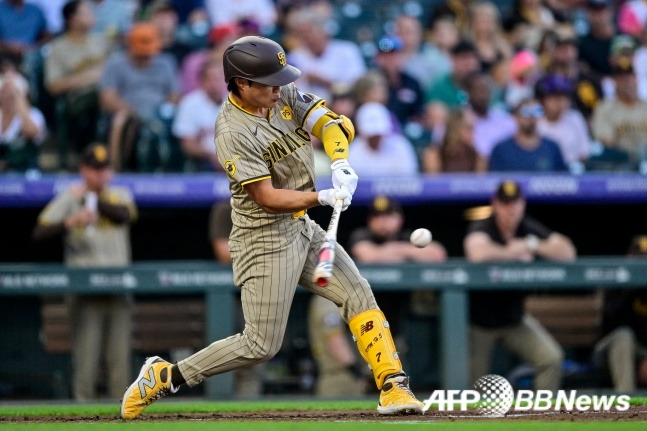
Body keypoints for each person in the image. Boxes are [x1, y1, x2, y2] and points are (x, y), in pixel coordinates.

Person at [121, 35, 425, 419]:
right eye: (268, 80)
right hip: (263, 236)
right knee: (260, 344)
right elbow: (266, 197)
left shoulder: (278, 93)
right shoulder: (231, 131)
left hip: (301, 226)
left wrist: (340, 163)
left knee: (358, 294)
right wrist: (322, 197)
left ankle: (393, 386)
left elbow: (329, 122)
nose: (278, 86)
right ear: (241, 83)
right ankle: (167, 376)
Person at [32, 143, 137, 401]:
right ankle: (81, 416)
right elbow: (39, 232)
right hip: (85, 290)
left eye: (105, 169)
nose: (100, 175)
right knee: (85, 361)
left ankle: (123, 416)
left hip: (117, 287)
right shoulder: (69, 197)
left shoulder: (118, 194)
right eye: (94, 169)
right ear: (83, 170)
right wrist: (70, 220)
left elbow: (125, 216)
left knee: (119, 363)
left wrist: (93, 201)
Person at [464, 180, 575, 391]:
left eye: (515, 202)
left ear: (522, 203)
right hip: (480, 323)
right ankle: (474, 424)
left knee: (551, 358)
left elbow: (568, 253)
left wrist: (531, 244)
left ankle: (542, 417)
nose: (511, 208)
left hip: (514, 319)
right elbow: (476, 252)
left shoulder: (527, 228)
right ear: (495, 204)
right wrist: (513, 253)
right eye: (505, 203)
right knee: (474, 387)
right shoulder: (485, 225)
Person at [99, 22, 180, 171]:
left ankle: (173, 169)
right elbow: (107, 98)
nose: (145, 57)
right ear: (130, 46)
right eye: (140, 54)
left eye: (148, 54)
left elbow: (175, 94)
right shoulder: (116, 63)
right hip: (129, 112)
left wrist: (162, 110)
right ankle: (117, 168)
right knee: (121, 120)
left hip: (159, 113)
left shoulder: (166, 62)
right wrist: (134, 112)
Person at [45, 0, 109, 165]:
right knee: (100, 95)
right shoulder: (58, 47)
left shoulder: (100, 42)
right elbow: (53, 86)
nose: (91, 15)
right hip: (74, 100)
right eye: (86, 13)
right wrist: (89, 78)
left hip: (105, 96)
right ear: (71, 19)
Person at [593, 234, 647, 392]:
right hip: (609, 349)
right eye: (640, 259)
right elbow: (611, 326)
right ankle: (627, 407)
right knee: (623, 336)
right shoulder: (618, 281)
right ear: (629, 257)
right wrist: (630, 288)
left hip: (643, 352)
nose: (643, 264)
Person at [307, 295, 368, 398]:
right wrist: (357, 373)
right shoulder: (327, 299)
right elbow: (334, 340)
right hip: (339, 378)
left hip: (342, 376)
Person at [172, 59, 225, 171]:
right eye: (210, 79)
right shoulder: (189, 103)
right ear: (202, 81)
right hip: (203, 162)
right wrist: (212, 156)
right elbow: (187, 145)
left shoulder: (238, 103)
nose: (215, 83)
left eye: (218, 78)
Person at [489, 98, 568, 172]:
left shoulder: (552, 148)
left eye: (536, 111)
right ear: (515, 116)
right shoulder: (501, 149)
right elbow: (494, 181)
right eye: (526, 111)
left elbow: (563, 179)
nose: (531, 116)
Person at [591, 62, 647, 166]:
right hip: (620, 164)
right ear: (615, 82)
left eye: (629, 78)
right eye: (621, 79)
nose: (626, 82)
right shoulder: (604, 108)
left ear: (636, 80)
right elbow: (607, 141)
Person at [348, 102, 419, 176]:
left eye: (378, 134)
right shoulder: (353, 151)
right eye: (371, 135)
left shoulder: (400, 146)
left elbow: (410, 181)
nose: (375, 138)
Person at [535, 73, 591, 169]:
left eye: (563, 96)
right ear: (542, 100)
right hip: (542, 172)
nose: (559, 101)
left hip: (572, 173)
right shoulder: (535, 120)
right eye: (554, 96)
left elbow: (584, 153)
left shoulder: (575, 118)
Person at [0, 71, 46, 172]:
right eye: (3, 91)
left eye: (11, 92)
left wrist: (18, 96)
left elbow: (30, 132)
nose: (7, 96)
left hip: (27, 172)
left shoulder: (35, 114)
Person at [422, 108, 486, 174]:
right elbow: (433, 182)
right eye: (469, 128)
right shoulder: (435, 154)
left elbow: (480, 182)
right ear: (455, 128)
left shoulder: (477, 157)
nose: (473, 133)